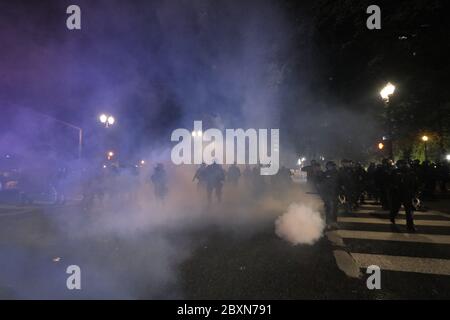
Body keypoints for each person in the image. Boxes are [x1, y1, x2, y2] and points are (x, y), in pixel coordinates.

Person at [389, 160, 418, 232]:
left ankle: (410, 226)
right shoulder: (395, 172)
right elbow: (390, 182)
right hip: (398, 193)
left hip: (407, 194)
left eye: (405, 164)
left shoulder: (411, 173)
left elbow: (414, 183)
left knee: (408, 211)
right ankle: (392, 216)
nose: (404, 165)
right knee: (396, 208)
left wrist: (414, 193)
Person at [319, 161, 341, 230]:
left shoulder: (338, 173)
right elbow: (321, 183)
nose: (330, 167)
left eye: (331, 166)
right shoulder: (325, 174)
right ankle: (328, 223)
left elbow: (341, 183)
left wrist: (341, 192)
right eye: (329, 166)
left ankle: (334, 223)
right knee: (328, 209)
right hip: (327, 194)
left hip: (335, 194)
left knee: (335, 209)